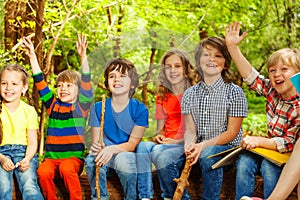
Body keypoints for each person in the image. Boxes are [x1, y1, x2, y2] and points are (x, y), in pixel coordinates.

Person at [156, 36, 248, 200]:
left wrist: (203, 145)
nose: (212, 59)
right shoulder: (190, 94)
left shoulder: (235, 92)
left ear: (225, 63)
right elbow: (191, 130)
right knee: (164, 156)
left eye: (218, 56)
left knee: (207, 153)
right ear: (198, 61)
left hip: (226, 149)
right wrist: (189, 145)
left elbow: (232, 133)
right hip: (200, 146)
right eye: (206, 55)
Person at [225, 21, 300, 200]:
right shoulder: (272, 92)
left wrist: (259, 141)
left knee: (268, 166)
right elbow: (250, 76)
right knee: (244, 162)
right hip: (269, 149)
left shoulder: (298, 105)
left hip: (285, 156)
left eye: (284, 69)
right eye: (272, 70)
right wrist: (232, 48)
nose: (276, 74)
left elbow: (289, 143)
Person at [22, 35, 93, 200]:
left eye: (69, 86)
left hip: (73, 160)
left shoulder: (80, 108)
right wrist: (32, 56)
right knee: (42, 171)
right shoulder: (53, 106)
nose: (63, 89)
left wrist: (83, 57)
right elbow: (40, 82)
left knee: (67, 168)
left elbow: (87, 83)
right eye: (60, 86)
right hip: (52, 160)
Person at [136, 49, 200, 200]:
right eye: (168, 67)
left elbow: (198, 131)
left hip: (185, 145)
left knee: (162, 156)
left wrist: (175, 141)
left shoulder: (194, 93)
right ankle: (145, 196)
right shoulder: (162, 96)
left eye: (177, 66)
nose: (172, 70)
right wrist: (160, 136)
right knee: (142, 147)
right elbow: (161, 130)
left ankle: (175, 197)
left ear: (185, 69)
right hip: (166, 144)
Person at [85, 58, 149, 200]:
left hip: (125, 154)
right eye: (112, 76)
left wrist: (111, 149)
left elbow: (132, 145)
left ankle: (131, 197)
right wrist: (98, 147)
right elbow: (98, 141)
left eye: (122, 76)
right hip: (105, 157)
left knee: (123, 160)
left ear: (132, 83)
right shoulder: (98, 107)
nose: (116, 80)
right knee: (90, 161)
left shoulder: (139, 109)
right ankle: (100, 197)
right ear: (107, 82)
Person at [0, 64, 44, 200]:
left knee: (29, 184)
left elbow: (32, 143)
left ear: (24, 88)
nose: (8, 88)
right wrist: (1, 158)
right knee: (3, 186)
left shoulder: (29, 111)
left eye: (14, 84)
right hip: (1, 153)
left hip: (23, 152)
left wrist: (27, 159)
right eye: (4, 83)